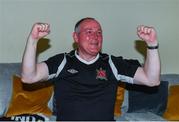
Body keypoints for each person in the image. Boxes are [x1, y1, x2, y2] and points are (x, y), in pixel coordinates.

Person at [21, 17, 160, 120]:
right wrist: (33, 39)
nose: (95, 36)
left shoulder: (112, 63)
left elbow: (151, 80)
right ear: (76, 37)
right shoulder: (62, 61)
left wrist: (152, 44)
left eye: (99, 32)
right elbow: (28, 77)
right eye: (89, 31)